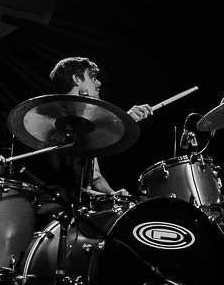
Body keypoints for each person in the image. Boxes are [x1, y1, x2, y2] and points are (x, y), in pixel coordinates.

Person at [26, 57, 153, 207]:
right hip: (51, 205)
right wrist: (122, 120)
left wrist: (113, 195)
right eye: (92, 77)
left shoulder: (88, 126)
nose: (98, 83)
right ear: (76, 79)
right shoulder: (50, 119)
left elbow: (95, 178)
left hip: (79, 207)